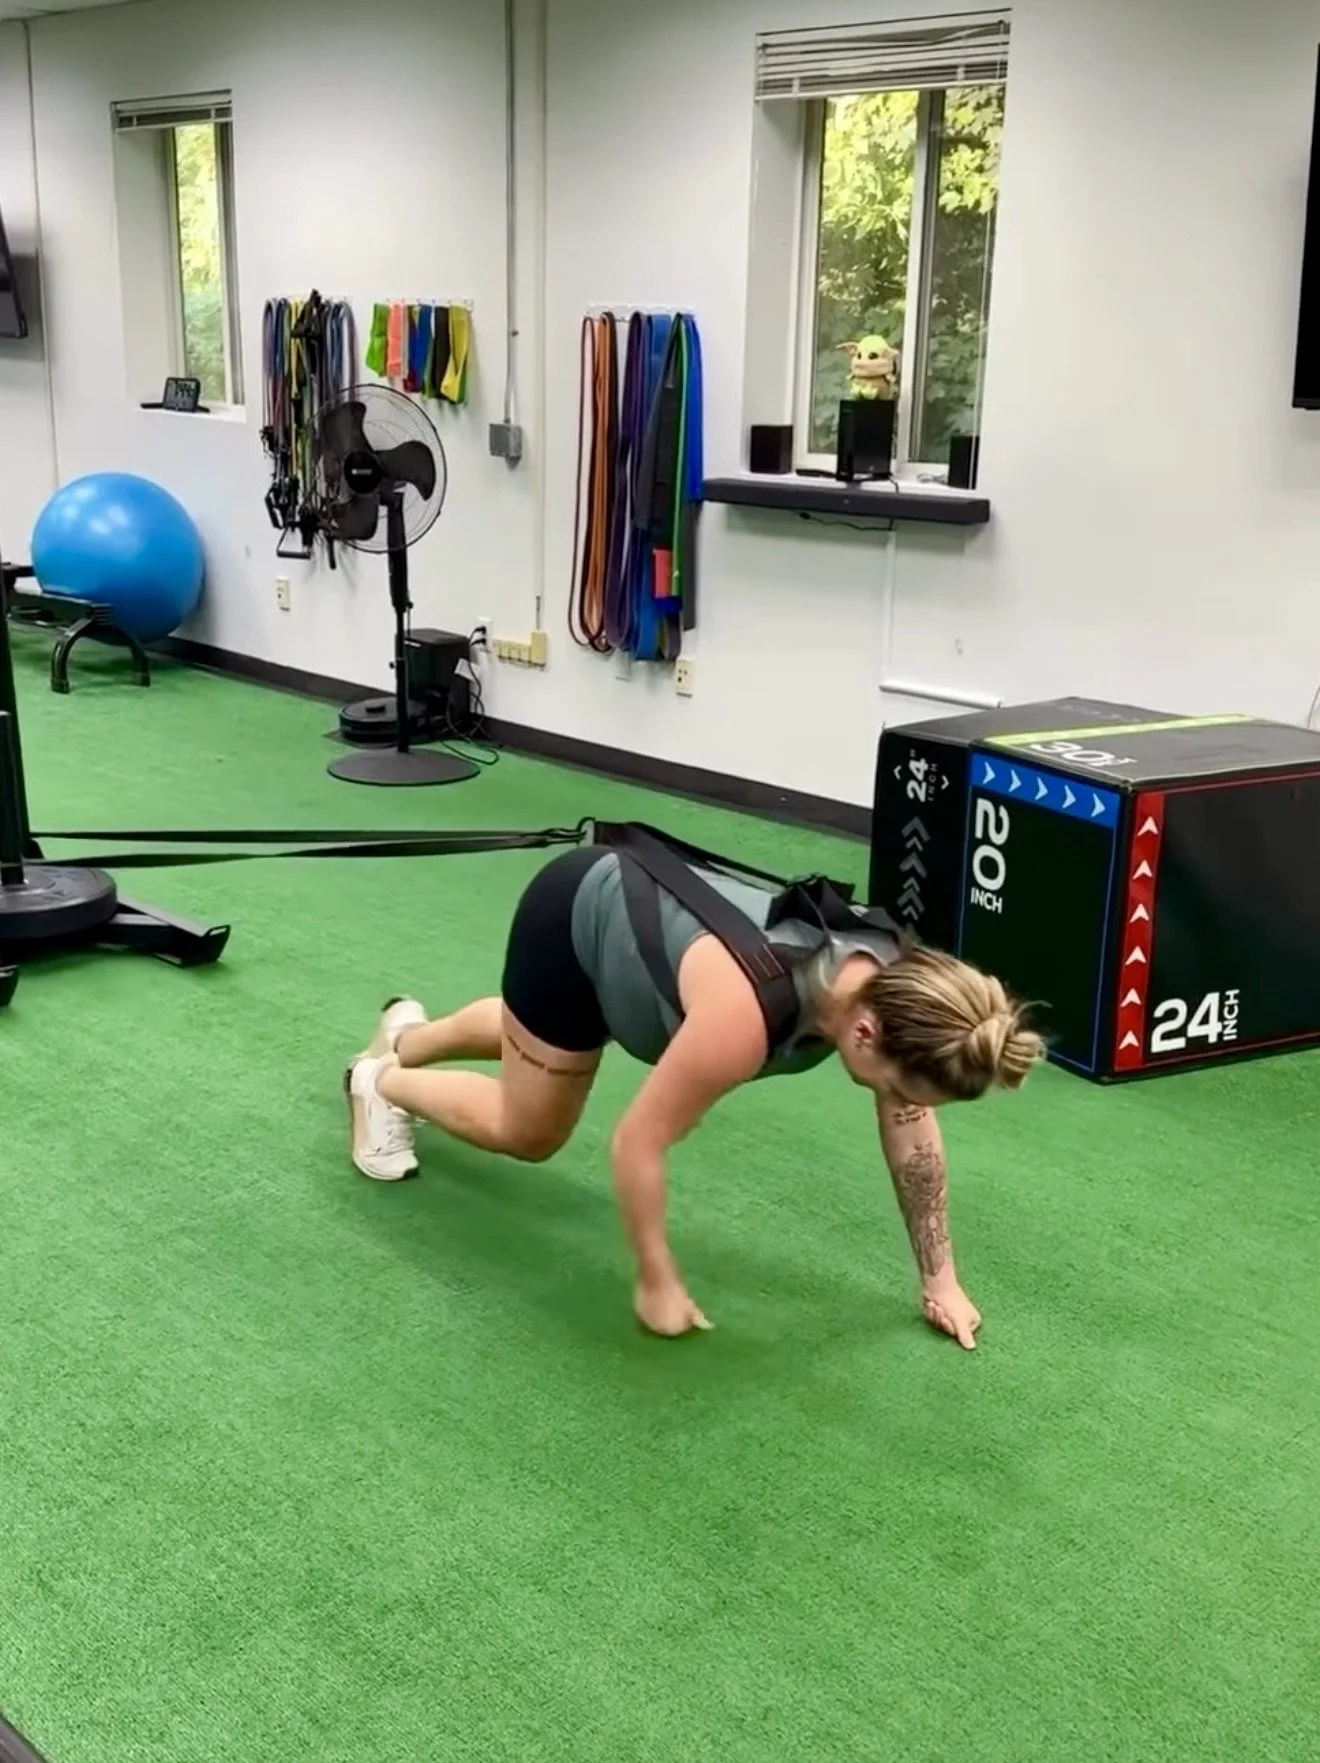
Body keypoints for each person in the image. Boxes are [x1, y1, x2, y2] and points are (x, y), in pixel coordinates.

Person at [346, 843, 1044, 1345]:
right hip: (574, 926)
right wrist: (655, 1275)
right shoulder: (744, 1019)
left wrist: (940, 1278)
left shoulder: (902, 992)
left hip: (635, 955)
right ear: (864, 1034)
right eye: (897, 1086)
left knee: (539, 1036)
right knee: (530, 1128)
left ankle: (406, 1035)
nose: (901, 1103)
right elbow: (637, 1140)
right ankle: (380, 1082)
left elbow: (913, 1133)